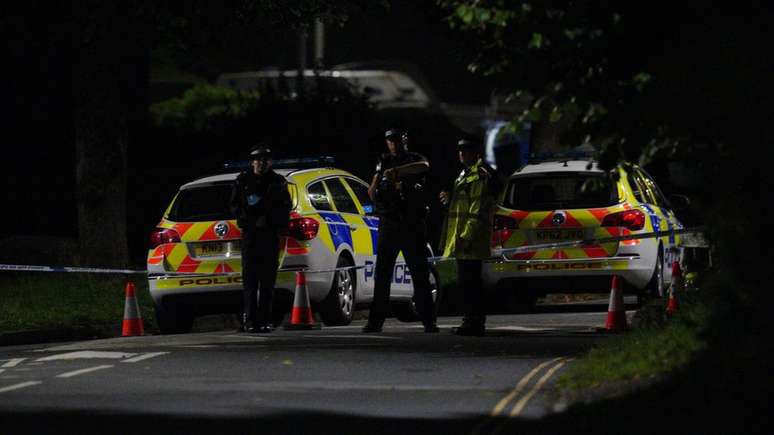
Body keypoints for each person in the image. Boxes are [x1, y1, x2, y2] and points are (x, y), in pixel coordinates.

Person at [363, 129, 439, 333]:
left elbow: (423, 166)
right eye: (390, 140)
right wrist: (378, 186)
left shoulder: (415, 159)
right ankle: (374, 322)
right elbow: (372, 190)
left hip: (412, 224)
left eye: (396, 140)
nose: (393, 144)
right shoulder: (383, 160)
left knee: (420, 274)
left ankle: (429, 321)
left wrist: (396, 173)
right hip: (389, 223)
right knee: (382, 275)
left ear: (404, 141)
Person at [439, 139, 500, 336]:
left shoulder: (478, 176)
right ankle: (470, 320)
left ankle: (474, 323)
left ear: (476, 153)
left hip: (471, 240)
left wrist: (466, 236)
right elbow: (462, 207)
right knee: (467, 283)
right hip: (463, 238)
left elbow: (476, 211)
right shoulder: (464, 175)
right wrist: (449, 200)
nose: (462, 154)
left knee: (471, 283)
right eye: (460, 151)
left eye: (466, 150)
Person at [230, 144, 291, 333]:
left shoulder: (278, 181)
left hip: (269, 235)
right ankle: (249, 321)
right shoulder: (242, 181)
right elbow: (234, 206)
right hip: (250, 235)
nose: (262, 163)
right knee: (250, 282)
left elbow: (285, 206)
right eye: (258, 160)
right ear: (252, 162)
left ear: (270, 162)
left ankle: (265, 320)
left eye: (265, 160)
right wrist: (248, 221)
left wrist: (270, 220)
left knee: (267, 282)